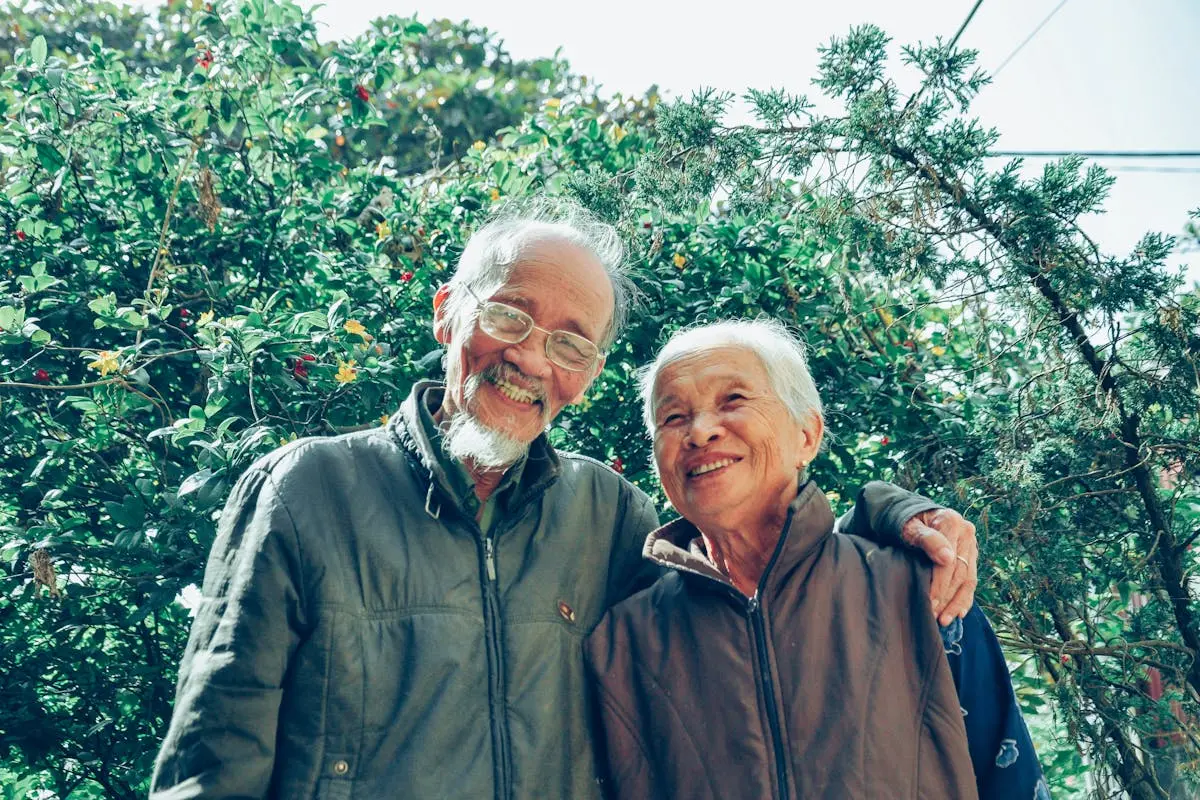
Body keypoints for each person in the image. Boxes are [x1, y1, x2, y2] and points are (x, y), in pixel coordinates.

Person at [150, 200, 982, 799]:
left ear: (587, 374)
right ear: (448, 314)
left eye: (570, 343)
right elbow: (211, 762)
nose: (532, 360)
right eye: (509, 316)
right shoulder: (307, 491)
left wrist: (890, 513)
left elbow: (766, 590)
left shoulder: (609, 515)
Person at [584, 319, 1047, 800]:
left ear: (806, 435)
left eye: (733, 400)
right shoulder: (622, 642)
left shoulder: (919, 589)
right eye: (673, 417)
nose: (700, 432)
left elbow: (1009, 775)